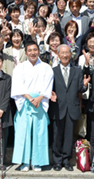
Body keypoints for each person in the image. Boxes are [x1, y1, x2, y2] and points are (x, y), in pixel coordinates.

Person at [11, 41, 54, 172]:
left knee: (39, 133)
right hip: (25, 101)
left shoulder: (46, 67)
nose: (32, 53)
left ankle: (37, 162)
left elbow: (48, 85)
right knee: (23, 132)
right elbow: (17, 85)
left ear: (39, 51)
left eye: (35, 50)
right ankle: (24, 161)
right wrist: (29, 98)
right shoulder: (20, 67)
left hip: (40, 102)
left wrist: (40, 98)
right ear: (25, 53)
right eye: (30, 50)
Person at [49, 44, 89, 171]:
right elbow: (48, 87)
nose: (65, 55)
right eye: (62, 53)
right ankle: (57, 161)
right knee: (57, 135)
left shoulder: (77, 70)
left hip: (72, 108)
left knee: (69, 136)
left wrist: (85, 85)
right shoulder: (52, 71)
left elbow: (80, 89)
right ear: (58, 54)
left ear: (70, 55)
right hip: (57, 107)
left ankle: (66, 160)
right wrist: (49, 93)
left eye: (67, 53)